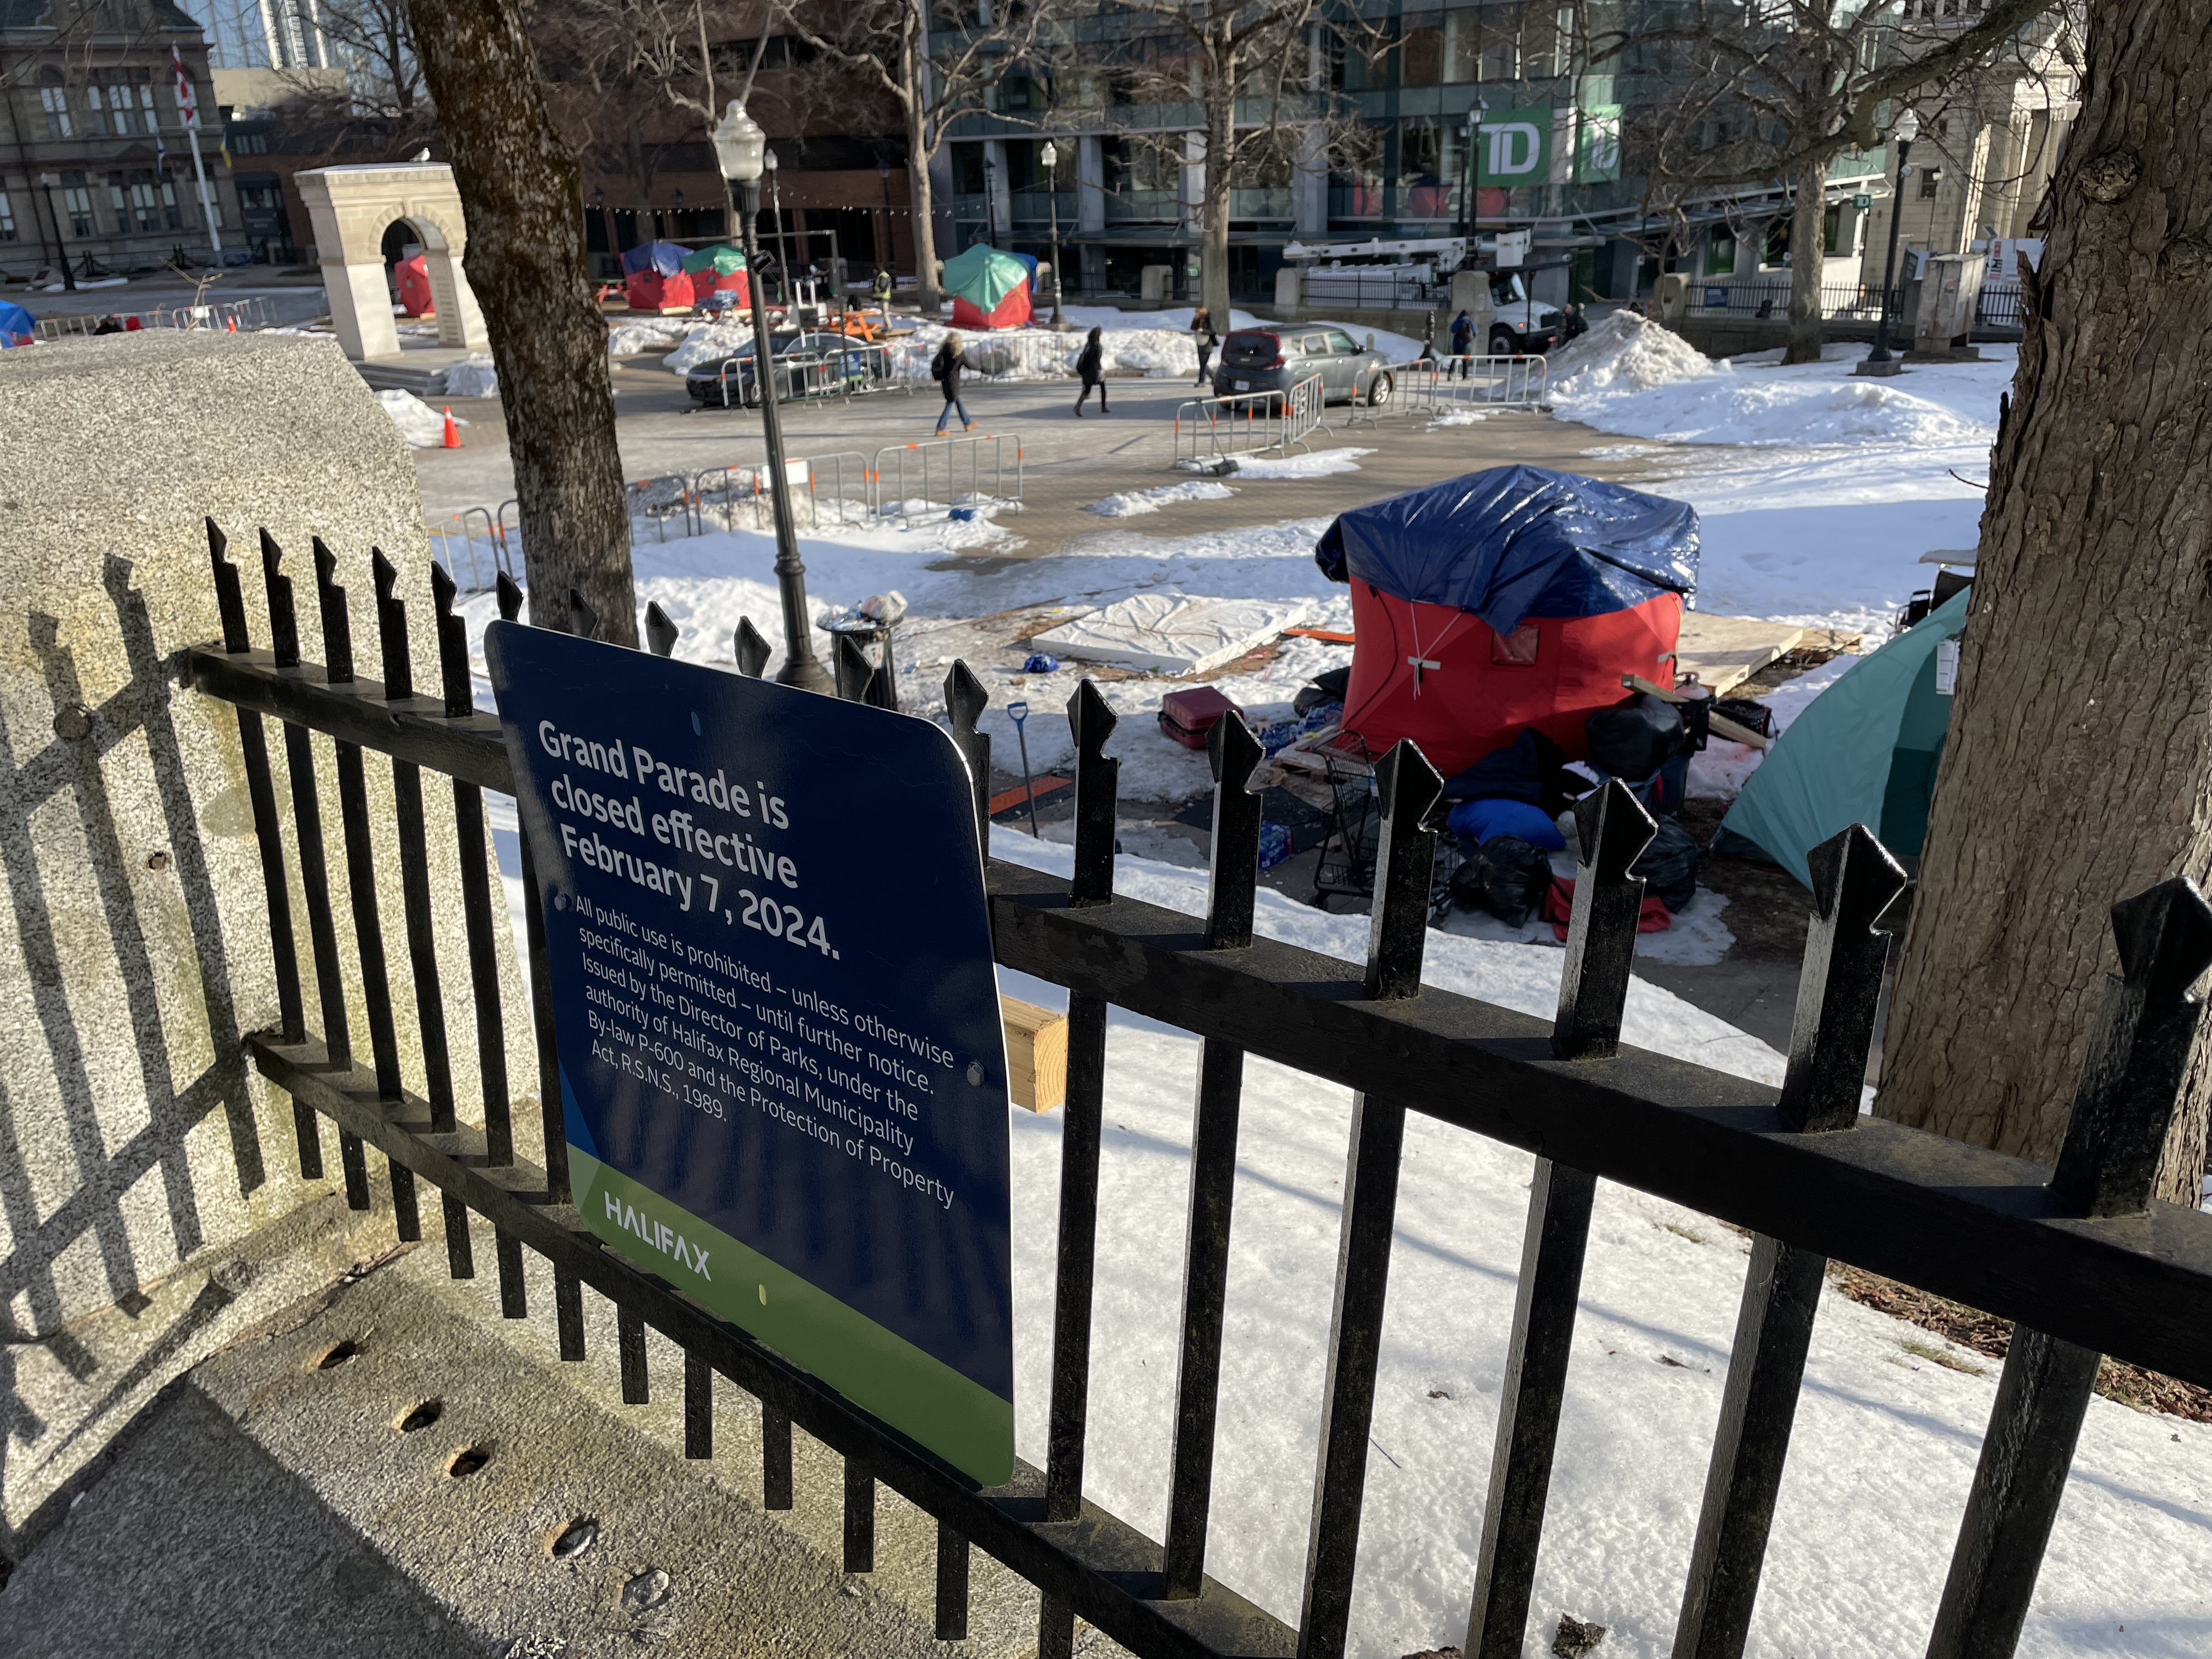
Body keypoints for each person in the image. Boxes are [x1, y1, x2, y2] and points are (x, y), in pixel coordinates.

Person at [931, 330, 980, 433]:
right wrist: (981, 368)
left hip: (945, 381)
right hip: (953, 382)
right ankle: (940, 428)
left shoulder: (943, 351)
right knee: (950, 403)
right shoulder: (958, 354)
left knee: (958, 401)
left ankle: (968, 423)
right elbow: (969, 365)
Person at [1073, 325, 1108, 416]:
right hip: (1095, 370)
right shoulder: (1097, 346)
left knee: (1087, 390)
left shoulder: (1088, 345)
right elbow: (1097, 359)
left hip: (1087, 370)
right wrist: (1101, 371)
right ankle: (1103, 407)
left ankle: (1078, 405)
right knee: (1103, 388)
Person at [1190, 305, 1217, 385]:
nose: (1196, 313)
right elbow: (1192, 327)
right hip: (1200, 343)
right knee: (1202, 363)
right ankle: (1214, 376)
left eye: (1198, 312)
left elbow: (1213, 331)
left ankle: (1201, 381)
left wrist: (1203, 331)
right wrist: (1196, 319)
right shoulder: (1197, 319)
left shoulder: (1208, 319)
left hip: (1208, 343)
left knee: (1204, 363)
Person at [1448, 307, 1475, 380]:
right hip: (1466, 346)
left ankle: (1450, 374)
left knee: (1454, 359)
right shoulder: (1470, 322)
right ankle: (1465, 376)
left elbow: (1452, 330)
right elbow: (1475, 332)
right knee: (1465, 361)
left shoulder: (1458, 321)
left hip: (1457, 345)